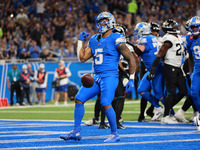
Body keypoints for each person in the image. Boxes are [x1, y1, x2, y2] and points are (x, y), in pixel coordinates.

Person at [60, 12, 137, 143]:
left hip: (110, 76)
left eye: (104, 21)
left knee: (106, 103)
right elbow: (83, 58)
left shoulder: (116, 37)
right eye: (99, 21)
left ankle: (114, 134)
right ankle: (76, 131)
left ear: (111, 22)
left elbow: (131, 58)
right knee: (79, 98)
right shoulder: (94, 39)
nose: (101, 24)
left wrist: (131, 78)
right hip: (97, 76)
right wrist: (80, 42)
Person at [148, 19, 187, 124]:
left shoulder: (177, 37)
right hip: (170, 67)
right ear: (169, 28)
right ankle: (165, 116)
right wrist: (153, 70)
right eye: (173, 26)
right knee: (171, 92)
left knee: (184, 90)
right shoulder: (168, 38)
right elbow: (160, 54)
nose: (176, 27)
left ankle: (167, 110)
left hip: (177, 67)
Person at [132, 22, 165, 121]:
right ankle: (158, 108)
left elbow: (137, 54)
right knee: (141, 89)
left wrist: (128, 46)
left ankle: (171, 113)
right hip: (153, 69)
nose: (136, 33)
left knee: (159, 94)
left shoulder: (144, 39)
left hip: (155, 70)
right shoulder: (153, 38)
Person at [186, 16, 200, 131]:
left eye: (197, 26)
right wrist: (190, 72)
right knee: (194, 93)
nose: (195, 28)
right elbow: (190, 57)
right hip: (197, 70)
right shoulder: (189, 39)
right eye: (193, 26)